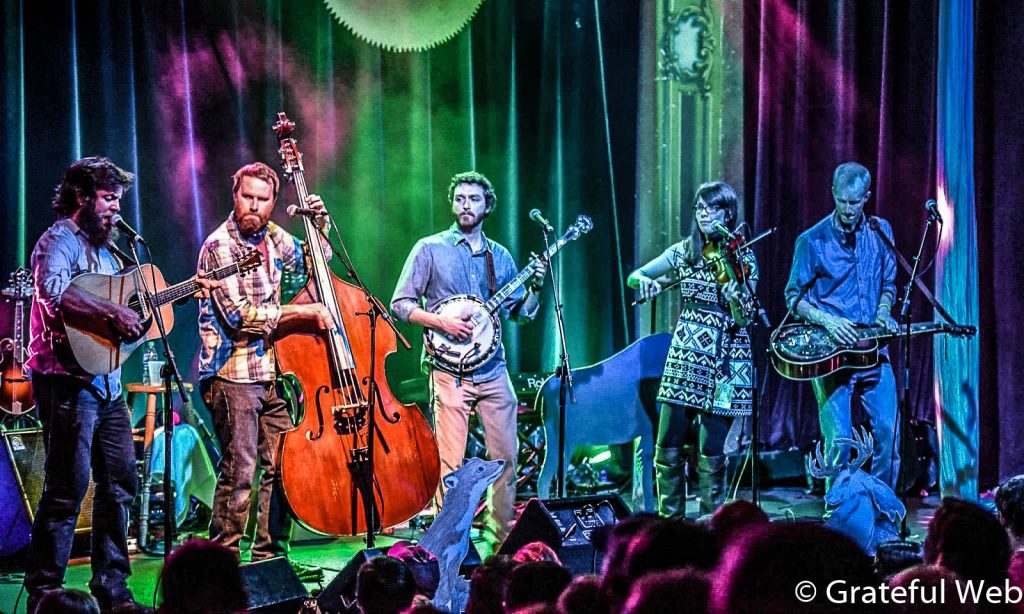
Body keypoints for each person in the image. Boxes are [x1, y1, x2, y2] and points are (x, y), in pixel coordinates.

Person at [23, 157, 211, 613]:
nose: (115, 209)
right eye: (108, 199)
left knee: (121, 482)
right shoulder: (58, 240)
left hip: (106, 384)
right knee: (68, 486)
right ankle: (46, 592)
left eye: (118, 200)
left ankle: (113, 589)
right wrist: (112, 314)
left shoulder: (112, 253)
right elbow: (54, 290)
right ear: (83, 197)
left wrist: (179, 295)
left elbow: (134, 312)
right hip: (65, 380)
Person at [390, 171, 546, 543]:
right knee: (450, 464)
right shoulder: (430, 249)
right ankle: (449, 542)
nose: (466, 205)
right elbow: (401, 305)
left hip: (493, 370)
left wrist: (537, 286)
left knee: (505, 459)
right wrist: (442, 322)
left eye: (474, 199)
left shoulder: (501, 257)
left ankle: (500, 538)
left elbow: (520, 314)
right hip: (449, 371)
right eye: (460, 198)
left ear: (487, 206)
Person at [196, 161, 334, 564]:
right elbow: (242, 317)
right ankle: (220, 566)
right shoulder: (220, 245)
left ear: (274, 202)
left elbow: (314, 265)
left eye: (262, 199)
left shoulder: (272, 235)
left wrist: (319, 227)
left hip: (270, 373)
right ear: (234, 195)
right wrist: (302, 315)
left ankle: (270, 560)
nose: (253, 206)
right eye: (247, 197)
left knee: (283, 467)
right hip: (232, 373)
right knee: (241, 472)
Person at [627, 181, 757, 518]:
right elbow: (635, 275)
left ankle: (713, 527)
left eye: (713, 208)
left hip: (728, 358)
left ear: (728, 214)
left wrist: (735, 299)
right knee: (667, 441)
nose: (704, 214)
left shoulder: (742, 256)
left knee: (711, 447)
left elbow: (746, 316)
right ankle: (671, 525)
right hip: (687, 353)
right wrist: (646, 282)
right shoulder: (684, 251)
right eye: (700, 208)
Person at [784, 162, 899, 491]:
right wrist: (829, 321)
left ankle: (883, 516)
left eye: (856, 201)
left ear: (867, 197)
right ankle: (840, 521)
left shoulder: (881, 231)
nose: (849, 209)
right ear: (833, 194)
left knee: (889, 435)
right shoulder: (812, 241)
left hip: (874, 352)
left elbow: (890, 282)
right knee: (840, 442)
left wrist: (883, 308)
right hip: (832, 356)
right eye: (843, 201)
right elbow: (793, 298)